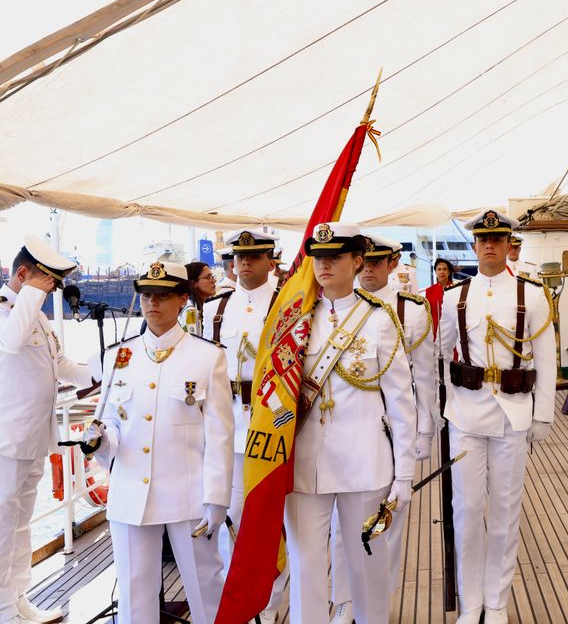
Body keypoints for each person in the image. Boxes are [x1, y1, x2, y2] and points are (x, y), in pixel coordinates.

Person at [86, 262, 234, 624]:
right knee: (134, 597)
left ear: (183, 299)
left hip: (188, 494)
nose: (153, 303)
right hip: (130, 491)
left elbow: (219, 434)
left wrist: (216, 500)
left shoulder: (207, 355)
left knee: (205, 591)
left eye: (163, 295)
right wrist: (100, 440)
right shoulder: (118, 356)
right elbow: (114, 424)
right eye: (147, 295)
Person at [284, 223, 415, 624]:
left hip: (365, 462)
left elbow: (401, 401)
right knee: (305, 566)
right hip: (305, 464)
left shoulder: (378, 319)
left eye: (334, 257)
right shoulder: (296, 318)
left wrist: (404, 476)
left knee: (368, 565)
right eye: (319, 258)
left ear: (357, 261)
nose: (324, 265)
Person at [438, 210, 555, 624]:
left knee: (506, 511)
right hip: (467, 415)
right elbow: (442, 355)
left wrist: (543, 415)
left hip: (512, 413)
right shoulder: (455, 297)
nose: (489, 245)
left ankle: (497, 602)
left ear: (508, 245)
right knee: (467, 511)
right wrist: (449, 406)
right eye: (483, 239)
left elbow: (545, 357)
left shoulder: (533, 295)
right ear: (474, 245)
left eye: (497, 239)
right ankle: (471, 605)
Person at [329, 235, 437, 623]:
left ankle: (377, 602)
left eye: (378, 262)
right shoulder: (337, 308)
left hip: (395, 429)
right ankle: (344, 599)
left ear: (392, 264)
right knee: (342, 527)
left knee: (386, 523)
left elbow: (425, 378)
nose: (369, 269)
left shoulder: (412, 310)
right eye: (365, 262)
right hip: (353, 427)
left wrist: (425, 432)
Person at [0, 237, 93, 624]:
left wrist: (109, 372)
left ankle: (17, 599)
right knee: (3, 526)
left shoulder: (33, 313)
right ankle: (3, 609)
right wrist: (30, 295)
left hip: (34, 436)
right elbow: (11, 343)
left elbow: (59, 361)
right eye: (46, 282)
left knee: (20, 524)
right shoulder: (12, 313)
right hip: (7, 439)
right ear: (22, 274)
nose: (52, 289)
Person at [200, 230, 286, 623]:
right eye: (240, 257)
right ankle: (242, 603)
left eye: (255, 256)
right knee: (231, 520)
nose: (246, 263)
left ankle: (272, 604)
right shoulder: (215, 309)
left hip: (276, 428)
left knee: (279, 521)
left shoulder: (289, 302)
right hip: (231, 427)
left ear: (272, 260)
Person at [180, 262, 217, 336]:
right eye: (208, 277)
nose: (214, 280)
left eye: (212, 276)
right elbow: (192, 344)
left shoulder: (201, 307)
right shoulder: (190, 312)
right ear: (194, 284)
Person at [424, 258, 454, 336]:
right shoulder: (429, 291)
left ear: (449, 272)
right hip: (435, 330)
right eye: (439, 269)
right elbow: (427, 313)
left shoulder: (456, 289)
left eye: (444, 269)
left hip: (453, 329)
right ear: (436, 272)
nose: (441, 272)